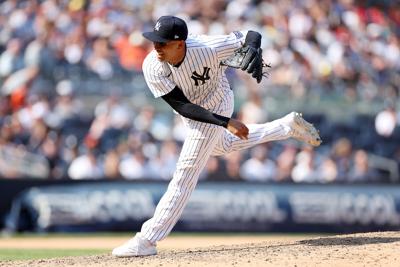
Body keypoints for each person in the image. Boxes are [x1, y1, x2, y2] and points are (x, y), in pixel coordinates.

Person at [112, 15, 321, 257]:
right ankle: (286, 127)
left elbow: (251, 34)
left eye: (162, 42)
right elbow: (182, 107)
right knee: (223, 145)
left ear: (180, 43)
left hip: (219, 99)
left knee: (186, 172)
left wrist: (252, 47)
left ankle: (147, 239)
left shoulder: (208, 47)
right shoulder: (152, 66)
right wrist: (226, 123)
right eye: (154, 41)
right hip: (195, 113)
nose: (156, 47)